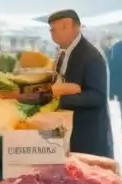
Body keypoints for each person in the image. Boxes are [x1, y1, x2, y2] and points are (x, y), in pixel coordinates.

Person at [47, 9, 113, 158]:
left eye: (53, 30)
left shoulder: (90, 56)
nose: (51, 34)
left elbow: (97, 96)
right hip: (71, 129)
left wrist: (58, 100)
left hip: (87, 134)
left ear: (67, 25)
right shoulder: (65, 51)